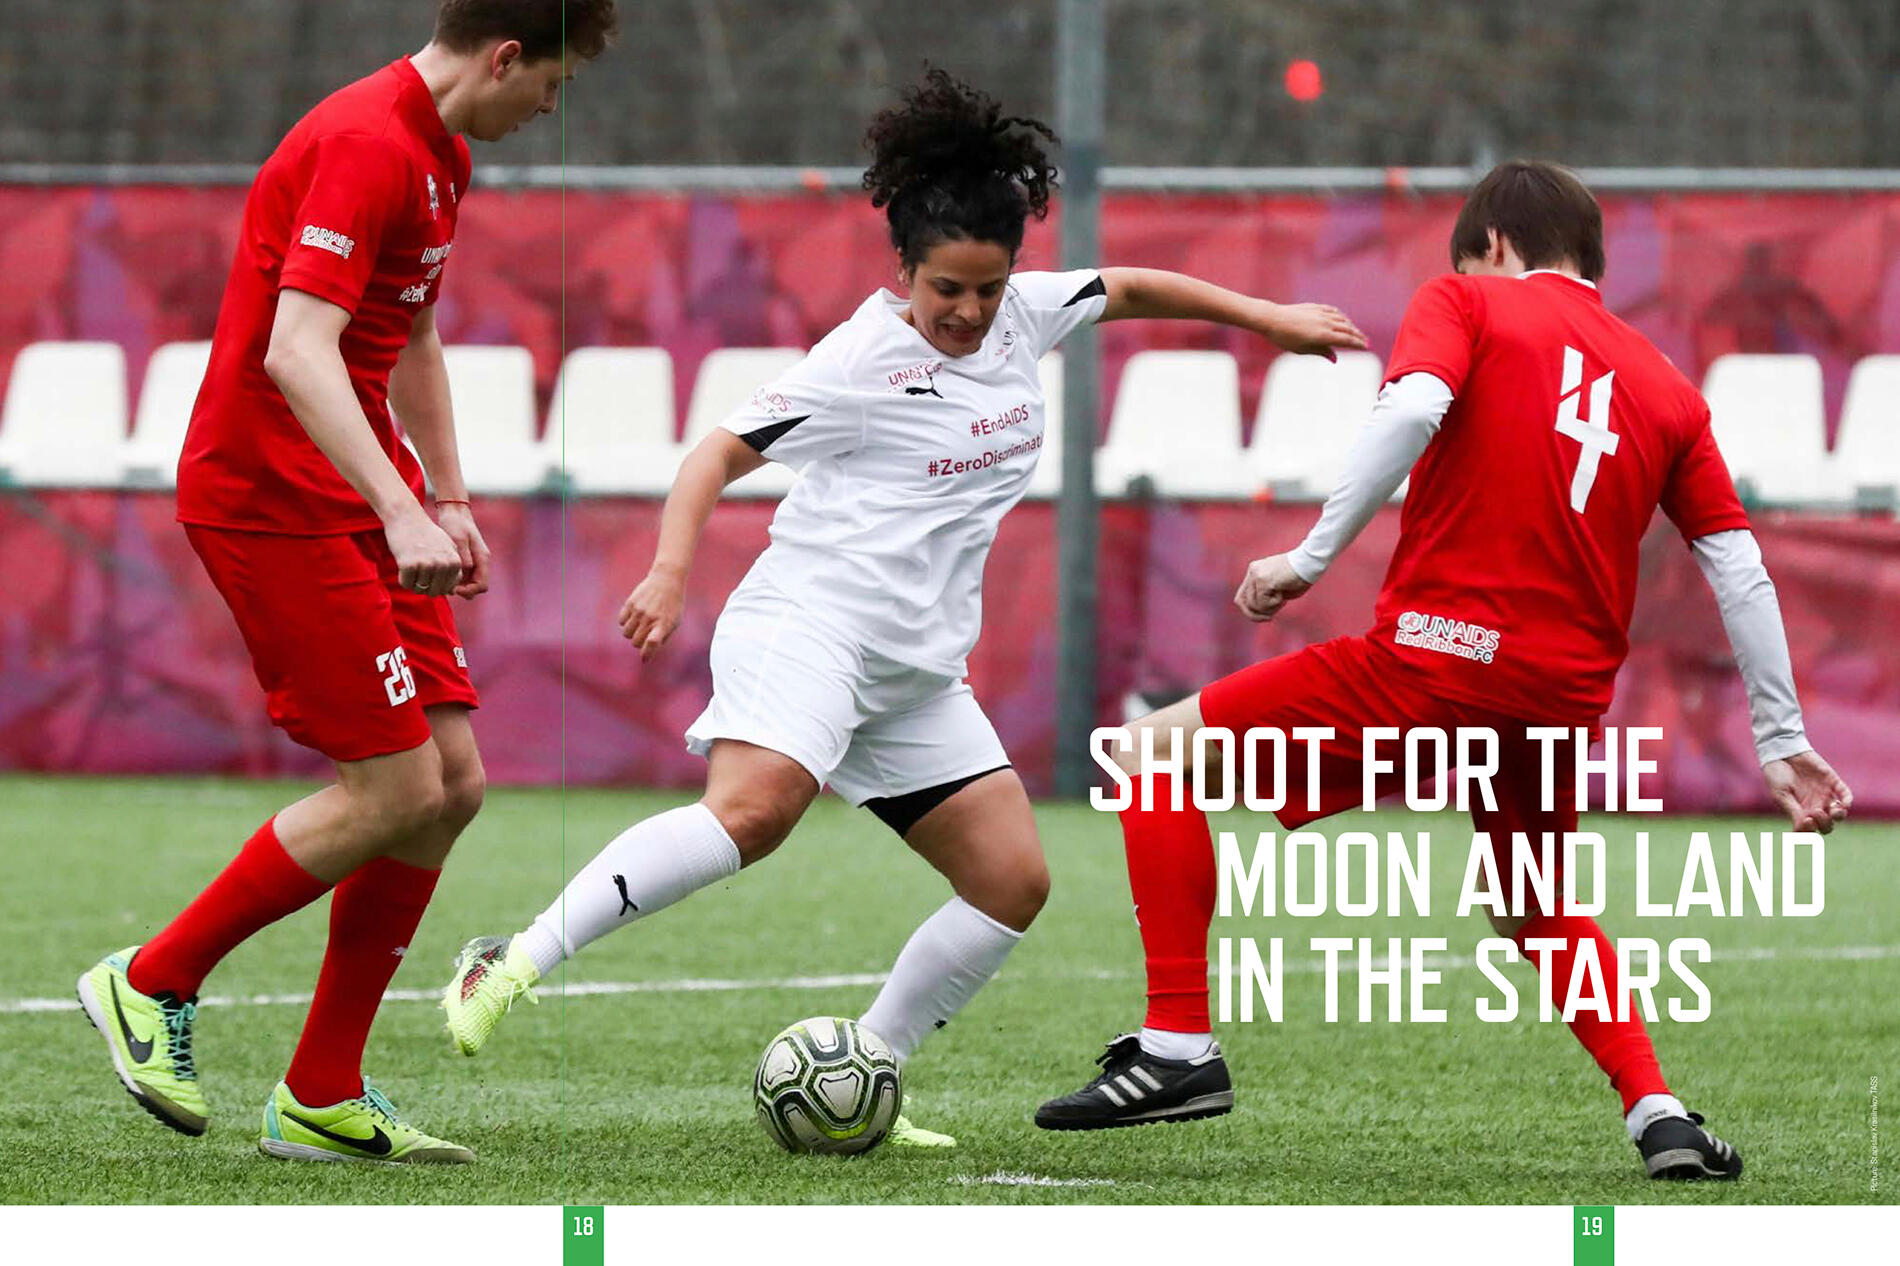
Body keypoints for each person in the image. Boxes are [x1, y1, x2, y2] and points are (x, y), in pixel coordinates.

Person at [439, 68, 1367, 1148]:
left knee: (1011, 881)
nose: (968, 312)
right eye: (945, 291)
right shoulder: (859, 360)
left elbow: (1125, 287)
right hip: (810, 625)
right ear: (903, 273)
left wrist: (1268, 318)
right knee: (755, 813)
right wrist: (667, 571)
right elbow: (714, 455)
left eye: (987, 288)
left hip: (913, 670)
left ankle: (869, 1068)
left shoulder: (1023, 316)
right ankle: (511, 959)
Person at [1035, 160, 1853, 1181]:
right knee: (1533, 902)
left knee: (1146, 757)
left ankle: (1176, 1046)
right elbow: (1737, 565)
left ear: (1493, 246)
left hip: (1436, 665)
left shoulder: (1465, 301)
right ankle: (1659, 1114)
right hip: (1556, 702)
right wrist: (1781, 739)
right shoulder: (1668, 389)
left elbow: (1414, 407)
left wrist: (1307, 558)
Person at [77, 0, 618, 1165]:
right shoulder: (365, 143)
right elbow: (296, 349)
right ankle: (151, 979)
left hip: (358, 498)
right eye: (554, 83)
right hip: (272, 500)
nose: (551, 107)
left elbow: (407, 334)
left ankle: (321, 1090)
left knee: (452, 784)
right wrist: (398, 506)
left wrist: (446, 499)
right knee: (391, 790)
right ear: (506, 56)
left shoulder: (441, 153)